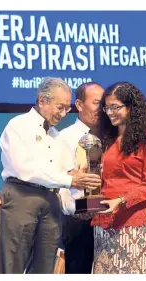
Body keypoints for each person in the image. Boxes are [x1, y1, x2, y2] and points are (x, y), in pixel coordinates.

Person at [0, 77, 102, 274]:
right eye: (59, 107)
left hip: (52, 202)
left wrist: (83, 180)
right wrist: (71, 178)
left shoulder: (56, 136)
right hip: (22, 196)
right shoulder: (19, 125)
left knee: (45, 267)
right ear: (42, 100)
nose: (63, 114)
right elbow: (24, 169)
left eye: (66, 109)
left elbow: (64, 172)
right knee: (13, 265)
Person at [90, 82, 146, 274]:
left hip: (132, 222)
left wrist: (121, 201)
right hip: (103, 220)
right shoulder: (104, 140)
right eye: (107, 107)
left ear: (131, 108)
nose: (110, 112)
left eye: (116, 107)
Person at [58, 82, 104, 273]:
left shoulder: (111, 137)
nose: (101, 109)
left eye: (104, 104)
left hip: (107, 216)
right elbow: (58, 178)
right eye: (96, 103)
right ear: (78, 104)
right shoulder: (63, 138)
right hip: (77, 217)